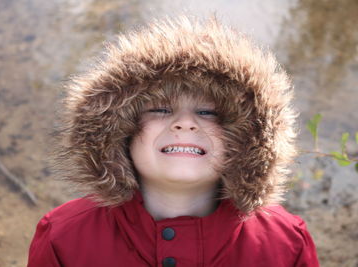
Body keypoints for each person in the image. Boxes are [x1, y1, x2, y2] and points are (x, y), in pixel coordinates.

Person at [27, 16, 320, 267]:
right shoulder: (64, 237)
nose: (185, 122)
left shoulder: (285, 243)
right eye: (160, 109)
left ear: (247, 141)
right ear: (119, 133)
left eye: (208, 112)